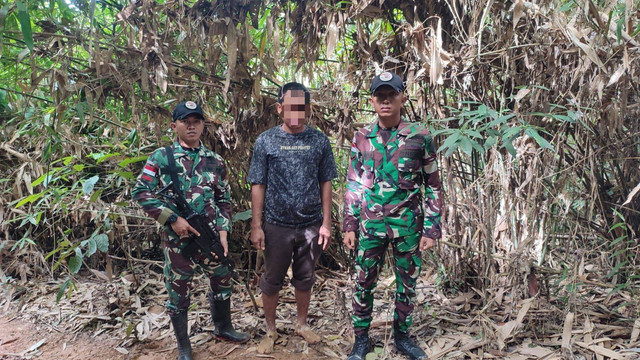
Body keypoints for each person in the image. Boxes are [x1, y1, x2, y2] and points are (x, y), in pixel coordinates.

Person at [132, 101, 248, 360]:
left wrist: (223, 233)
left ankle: (223, 327)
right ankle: (184, 346)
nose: (191, 125)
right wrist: (172, 219)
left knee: (222, 278)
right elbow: (140, 191)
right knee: (178, 292)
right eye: (185, 121)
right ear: (175, 126)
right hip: (178, 242)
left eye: (196, 120)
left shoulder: (215, 161)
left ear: (203, 125)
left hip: (210, 237)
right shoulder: (162, 157)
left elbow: (223, 200)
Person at [342, 72, 443, 360]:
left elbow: (433, 186)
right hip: (370, 225)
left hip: (407, 225)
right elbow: (354, 183)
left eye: (392, 94)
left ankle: (403, 338)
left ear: (403, 97)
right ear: (372, 100)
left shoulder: (420, 137)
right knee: (364, 282)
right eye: (379, 95)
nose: (385, 100)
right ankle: (361, 340)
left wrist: (431, 229)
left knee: (407, 284)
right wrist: (349, 224)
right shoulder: (362, 137)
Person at [248, 82, 338, 354]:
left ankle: (301, 323)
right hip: (276, 225)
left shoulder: (319, 140)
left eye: (302, 107)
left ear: (308, 109)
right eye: (291, 107)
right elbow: (258, 184)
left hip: (310, 224)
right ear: (279, 108)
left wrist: (326, 222)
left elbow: (326, 182)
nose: (296, 112)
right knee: (272, 279)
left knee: (305, 277)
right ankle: (271, 329)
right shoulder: (266, 141)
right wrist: (256, 226)